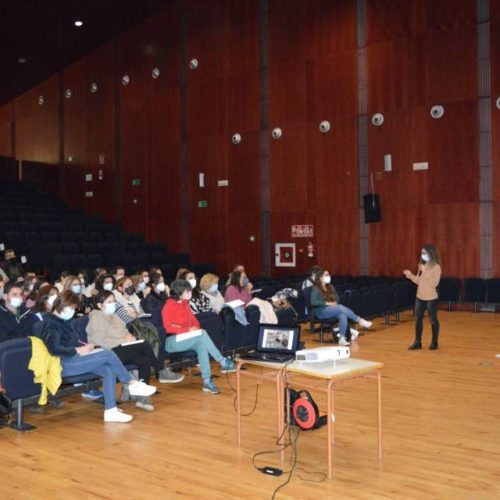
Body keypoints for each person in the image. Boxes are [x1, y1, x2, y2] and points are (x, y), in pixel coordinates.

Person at [40, 291, 157, 423]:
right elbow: (54, 349)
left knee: (108, 368)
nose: (73, 311)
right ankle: (131, 383)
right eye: (72, 308)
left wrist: (84, 347)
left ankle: (111, 410)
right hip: (62, 363)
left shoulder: (64, 322)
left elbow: (69, 342)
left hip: (75, 358)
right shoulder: (50, 324)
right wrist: (78, 349)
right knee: (106, 353)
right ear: (62, 305)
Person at [87, 291, 183, 411]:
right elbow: (100, 341)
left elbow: (124, 331)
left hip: (121, 349)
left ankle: (143, 398)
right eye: (109, 302)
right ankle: (161, 370)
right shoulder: (96, 318)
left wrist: (130, 337)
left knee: (145, 360)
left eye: (114, 301)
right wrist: (123, 340)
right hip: (108, 352)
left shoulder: (114, 316)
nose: (113, 304)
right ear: (100, 305)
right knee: (144, 344)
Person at [162, 280, 236, 394]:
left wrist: (191, 329)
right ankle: (222, 361)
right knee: (202, 334)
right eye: (187, 291)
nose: (190, 292)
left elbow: (195, 323)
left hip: (186, 337)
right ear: (180, 292)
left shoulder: (185, 304)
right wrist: (187, 329)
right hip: (171, 341)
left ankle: (207, 382)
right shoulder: (169, 305)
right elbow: (167, 328)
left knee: (201, 344)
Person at [311, 268, 372, 346]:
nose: (328, 276)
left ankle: (342, 339)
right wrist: (327, 303)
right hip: (321, 312)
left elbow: (337, 298)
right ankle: (360, 320)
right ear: (320, 277)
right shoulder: (315, 288)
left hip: (332, 310)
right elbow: (313, 302)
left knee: (342, 315)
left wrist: (335, 301)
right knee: (340, 308)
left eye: (329, 275)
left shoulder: (330, 286)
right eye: (326, 275)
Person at [403, 245, 442, 350]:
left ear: (431, 253)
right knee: (418, 319)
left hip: (431, 298)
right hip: (419, 297)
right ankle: (417, 342)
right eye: (422, 253)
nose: (422, 255)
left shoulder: (436, 267)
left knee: (433, 320)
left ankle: (434, 342)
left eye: (424, 253)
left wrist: (425, 271)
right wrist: (410, 275)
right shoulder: (420, 265)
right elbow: (418, 281)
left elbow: (435, 283)